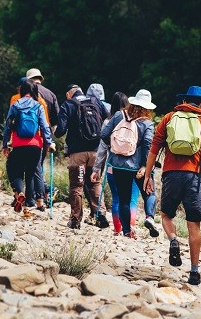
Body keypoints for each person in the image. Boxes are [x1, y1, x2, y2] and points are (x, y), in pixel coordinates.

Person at [144, 85, 201, 286]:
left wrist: (147, 175)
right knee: (194, 224)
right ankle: (194, 272)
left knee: (166, 215)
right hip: (194, 177)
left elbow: (154, 147)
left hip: (170, 174)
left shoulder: (168, 118)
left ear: (184, 101)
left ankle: (174, 239)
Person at [100, 89, 158, 239]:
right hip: (139, 166)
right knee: (150, 193)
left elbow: (104, 135)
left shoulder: (119, 115)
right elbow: (147, 145)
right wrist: (146, 166)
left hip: (118, 165)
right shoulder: (147, 124)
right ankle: (149, 217)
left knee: (123, 199)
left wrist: (115, 148)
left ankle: (127, 231)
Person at [55, 84, 109, 229]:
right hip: (96, 151)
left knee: (76, 186)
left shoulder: (68, 104)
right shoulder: (95, 101)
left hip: (77, 153)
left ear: (68, 94)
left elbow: (60, 130)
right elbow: (106, 117)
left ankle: (75, 220)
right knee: (95, 183)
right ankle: (100, 215)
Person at [91, 92, 143, 234]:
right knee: (131, 199)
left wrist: (96, 169)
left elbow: (102, 149)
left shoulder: (109, 121)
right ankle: (130, 227)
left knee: (117, 199)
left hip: (113, 167)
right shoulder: (138, 121)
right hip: (133, 167)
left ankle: (118, 229)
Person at [2, 80, 55, 216]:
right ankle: (27, 208)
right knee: (30, 175)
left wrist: (5, 145)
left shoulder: (15, 105)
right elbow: (45, 127)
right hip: (35, 145)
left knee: (14, 170)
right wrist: (48, 143)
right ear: (33, 92)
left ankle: (19, 192)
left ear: (21, 91)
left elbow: (8, 126)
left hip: (18, 145)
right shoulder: (38, 106)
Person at [25, 68, 59, 209]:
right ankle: (41, 192)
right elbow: (56, 119)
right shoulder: (50, 94)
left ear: (29, 80)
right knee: (38, 164)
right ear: (40, 79)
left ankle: (43, 191)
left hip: (29, 134)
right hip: (46, 134)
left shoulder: (25, 93)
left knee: (33, 165)